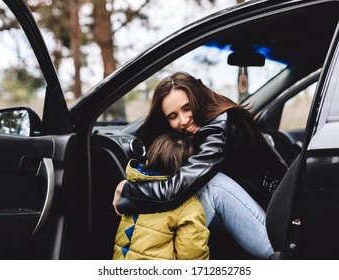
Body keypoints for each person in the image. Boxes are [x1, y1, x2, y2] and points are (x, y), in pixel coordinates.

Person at [113, 71, 287, 259]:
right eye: (173, 116)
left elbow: (173, 191)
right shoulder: (210, 121)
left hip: (275, 237)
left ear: (198, 98)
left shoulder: (219, 129)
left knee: (213, 186)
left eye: (187, 107)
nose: (184, 120)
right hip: (266, 218)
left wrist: (127, 191)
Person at [113, 132, 209, 260]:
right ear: (186, 173)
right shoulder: (189, 206)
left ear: (148, 159)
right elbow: (191, 254)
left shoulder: (133, 189)